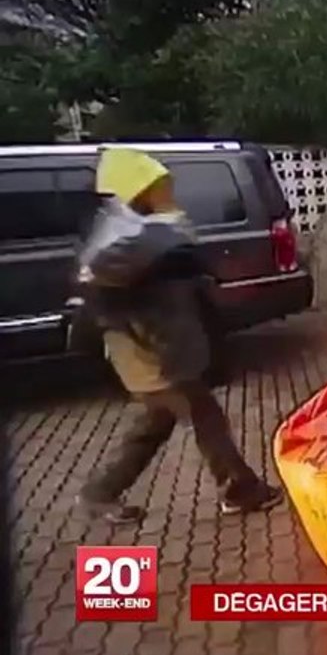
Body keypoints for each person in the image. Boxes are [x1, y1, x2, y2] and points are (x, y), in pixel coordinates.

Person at [75, 147, 283, 524]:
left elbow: (173, 275)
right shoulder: (121, 242)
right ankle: (240, 490)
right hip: (151, 354)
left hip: (154, 353)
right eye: (156, 187)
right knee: (206, 418)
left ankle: (100, 492)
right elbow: (123, 301)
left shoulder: (139, 234)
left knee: (153, 425)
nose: (165, 194)